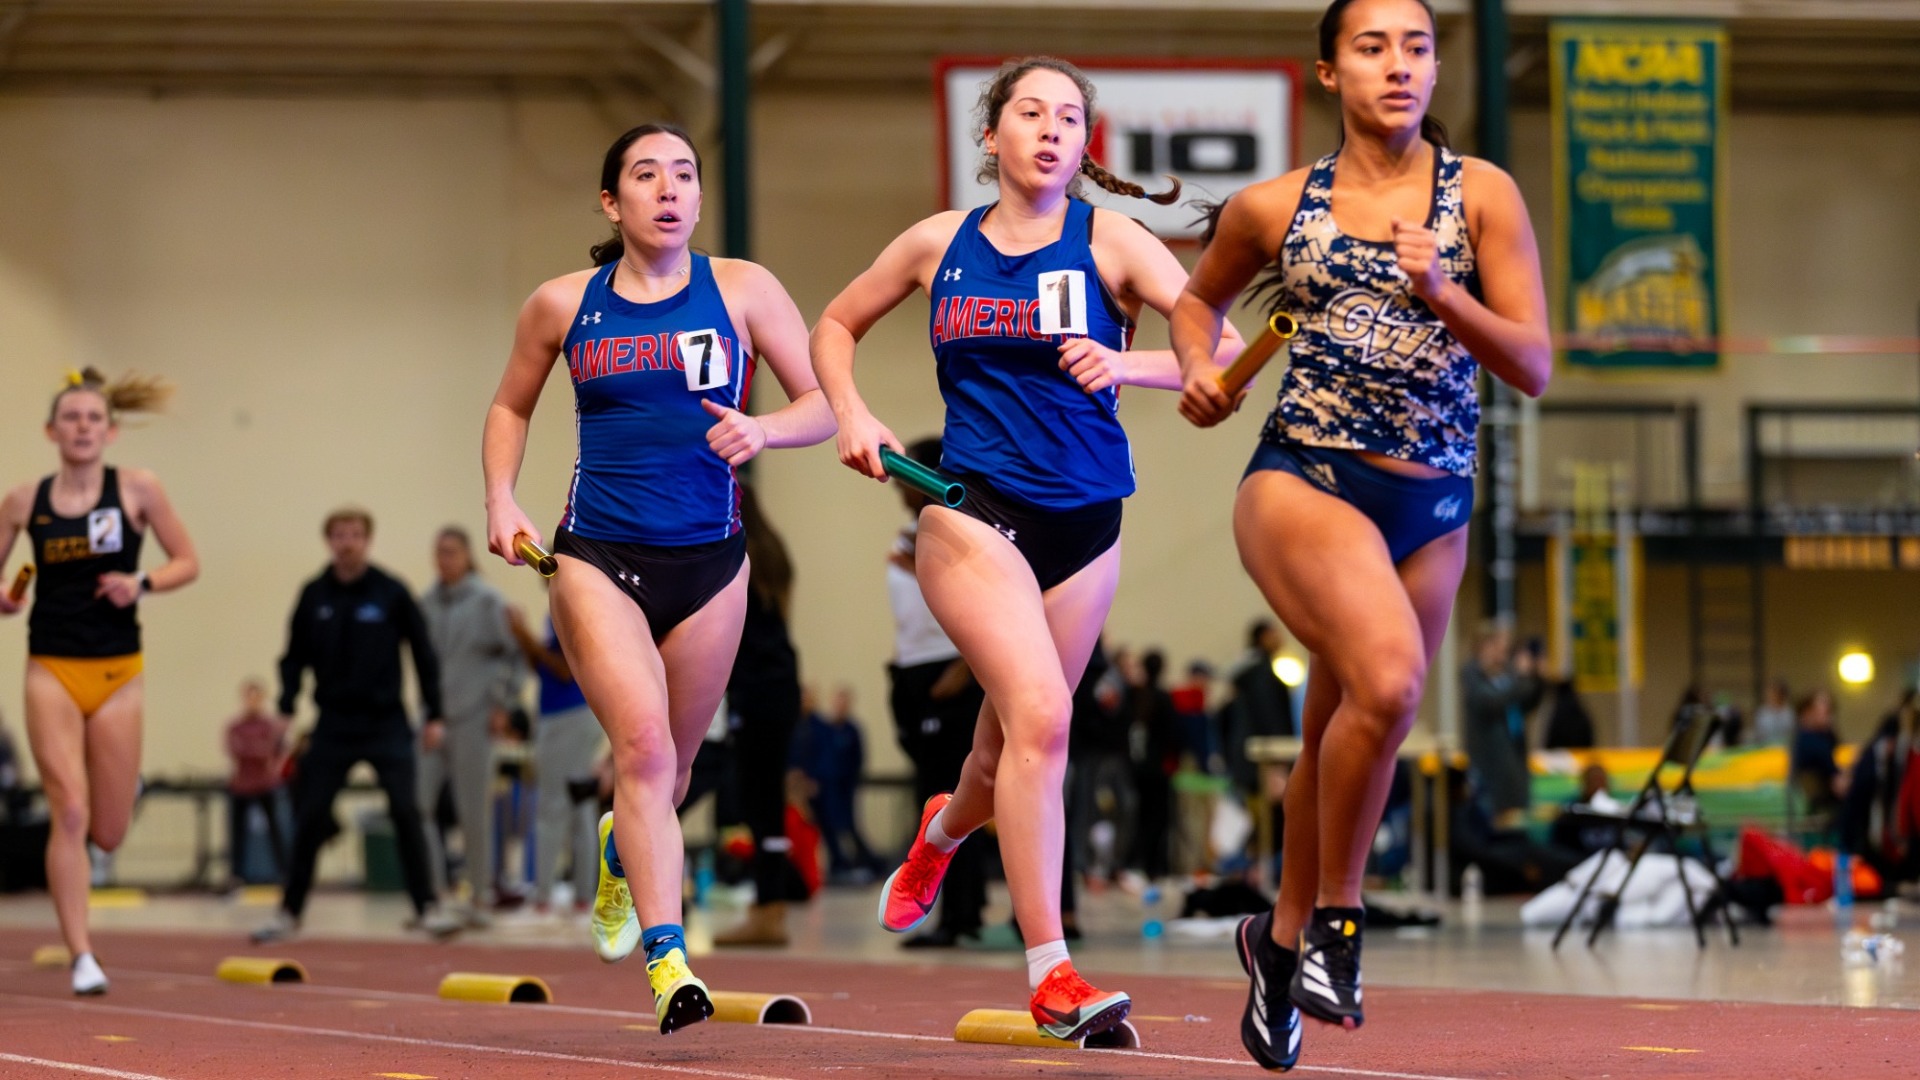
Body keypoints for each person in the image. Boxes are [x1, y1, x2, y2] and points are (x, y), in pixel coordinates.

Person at [812, 56, 1241, 1043]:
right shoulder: (937, 243)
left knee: (1006, 744)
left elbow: (1207, 352)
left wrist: (1126, 363)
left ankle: (944, 829)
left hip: (1086, 525)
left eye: (1070, 118)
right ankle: (1051, 972)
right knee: (1044, 716)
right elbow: (835, 322)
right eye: (1032, 112)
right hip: (970, 510)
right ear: (992, 134)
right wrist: (852, 412)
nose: (1052, 130)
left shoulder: (1116, 242)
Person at [1171, 0, 1551, 1064]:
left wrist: (1443, 293)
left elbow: (1532, 363)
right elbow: (1195, 306)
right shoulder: (1273, 206)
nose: (1399, 66)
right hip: (1307, 478)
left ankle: (1277, 942)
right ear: (1330, 72)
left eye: (1418, 47)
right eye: (1372, 47)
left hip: (1434, 505)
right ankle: (1339, 922)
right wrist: (1201, 371)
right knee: (1389, 685)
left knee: (1345, 728)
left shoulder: (1482, 195)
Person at [480, 123, 834, 1034]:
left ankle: (617, 848)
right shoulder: (564, 304)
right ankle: (669, 959)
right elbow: (511, 403)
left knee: (666, 774)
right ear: (613, 201)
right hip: (596, 554)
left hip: (712, 564)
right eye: (647, 175)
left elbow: (823, 404)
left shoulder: (745, 288)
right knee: (641, 751)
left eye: (685, 174)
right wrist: (501, 499)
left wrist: (766, 432)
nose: (669, 189)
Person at [0, 368, 199, 995]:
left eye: (92, 418)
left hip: (118, 673)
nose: (82, 427)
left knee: (107, 830)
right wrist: (7, 599)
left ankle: (124, 784)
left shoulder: (139, 490)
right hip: (51, 668)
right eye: (71, 418)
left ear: (109, 430)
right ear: (51, 430)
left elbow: (187, 562)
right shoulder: (23, 501)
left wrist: (140, 583)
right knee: (70, 811)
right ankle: (82, 954)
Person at [254, 509, 456, 943]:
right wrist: (286, 707)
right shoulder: (313, 595)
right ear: (329, 541)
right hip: (334, 724)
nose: (348, 542)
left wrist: (434, 713)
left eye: (356, 535)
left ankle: (428, 906)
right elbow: (293, 658)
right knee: (310, 814)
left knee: (406, 810)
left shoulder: (391, 592)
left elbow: (424, 655)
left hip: (387, 724)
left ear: (368, 540)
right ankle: (289, 912)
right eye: (340, 535)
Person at [882, 436, 991, 948]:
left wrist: (966, 665)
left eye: (907, 474)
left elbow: (986, 600)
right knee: (931, 786)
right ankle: (957, 912)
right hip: (917, 672)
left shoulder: (960, 526)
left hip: (952, 670)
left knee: (954, 791)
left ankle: (959, 915)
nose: (897, 485)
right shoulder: (910, 535)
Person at [714, 482, 810, 946]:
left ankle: (769, 908)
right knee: (767, 798)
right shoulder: (773, 553)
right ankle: (768, 906)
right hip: (781, 684)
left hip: (755, 688)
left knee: (758, 800)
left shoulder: (736, 552)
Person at [417, 525, 521, 924]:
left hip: (475, 718)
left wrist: (502, 704)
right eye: (439, 552)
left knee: (472, 810)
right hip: (433, 720)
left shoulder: (487, 601)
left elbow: (514, 657)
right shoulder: (426, 603)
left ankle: (480, 896)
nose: (445, 559)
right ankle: (436, 895)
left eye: (452, 552)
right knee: (419, 805)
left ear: (467, 555)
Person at [505, 599, 603, 918]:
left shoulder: (571, 610)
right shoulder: (561, 611)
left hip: (568, 717)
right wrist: (525, 641)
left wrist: (523, 635)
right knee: (579, 804)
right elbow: (545, 666)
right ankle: (581, 896)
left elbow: (563, 669)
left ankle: (544, 897)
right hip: (568, 715)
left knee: (553, 806)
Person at [792, 685, 880, 885]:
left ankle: (853, 863)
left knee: (840, 825)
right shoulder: (798, 726)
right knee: (814, 827)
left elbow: (835, 758)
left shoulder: (824, 727)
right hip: (807, 786)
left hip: (832, 785)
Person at [1462, 625, 1543, 827]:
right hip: (1488, 765)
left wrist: (1536, 676)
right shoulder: (1472, 674)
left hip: (1514, 759)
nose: (1502, 652)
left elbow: (1526, 703)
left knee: (1515, 823)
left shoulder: (1507, 675)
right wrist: (1521, 677)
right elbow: (1491, 703)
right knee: (1491, 824)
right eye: (1497, 646)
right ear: (1483, 646)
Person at [224, 679, 289, 887]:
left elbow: (272, 750)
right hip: (241, 786)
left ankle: (285, 872)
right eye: (248, 696)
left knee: (275, 831)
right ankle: (237, 875)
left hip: (265, 785)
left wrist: (254, 749)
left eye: (256, 697)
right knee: (238, 834)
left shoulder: (271, 726)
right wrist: (257, 748)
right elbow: (236, 749)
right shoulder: (235, 726)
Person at [1752, 679, 1795, 748]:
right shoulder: (1762, 712)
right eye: (1769, 693)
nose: (1771, 696)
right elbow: (1759, 733)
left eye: (1774, 693)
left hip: (1784, 749)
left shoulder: (1789, 713)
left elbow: (1791, 733)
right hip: (1766, 749)